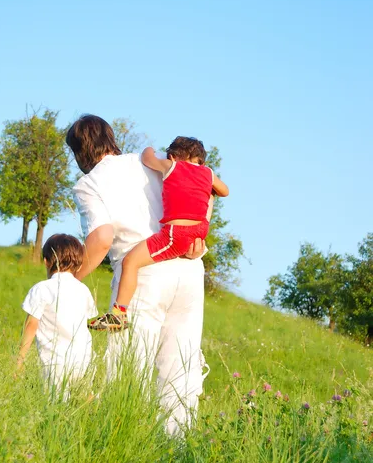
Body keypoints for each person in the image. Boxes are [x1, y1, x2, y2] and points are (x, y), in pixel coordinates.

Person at [66, 115, 211, 435]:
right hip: (188, 268)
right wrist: (198, 239)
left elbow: (102, 238)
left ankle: (123, 453)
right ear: (111, 139)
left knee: (129, 372)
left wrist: (70, 279)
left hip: (141, 273)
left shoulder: (89, 184)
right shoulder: (149, 161)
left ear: (79, 153)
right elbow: (198, 191)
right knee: (180, 373)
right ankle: (176, 458)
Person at [97, 137, 229, 326]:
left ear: (173, 156)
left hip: (176, 233)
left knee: (130, 262)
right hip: (199, 230)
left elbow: (147, 158)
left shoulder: (172, 166)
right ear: (201, 160)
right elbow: (225, 191)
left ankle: (119, 314)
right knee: (210, 194)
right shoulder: (207, 172)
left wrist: (149, 148)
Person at [17, 234, 97, 396]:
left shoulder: (41, 289)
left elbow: (31, 325)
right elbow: (88, 320)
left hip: (55, 363)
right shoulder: (83, 290)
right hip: (84, 360)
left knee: (57, 408)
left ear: (46, 261)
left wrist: (20, 360)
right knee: (81, 401)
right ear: (79, 266)